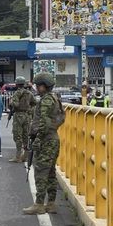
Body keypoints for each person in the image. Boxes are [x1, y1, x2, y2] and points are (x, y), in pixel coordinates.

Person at [23, 73, 66, 215]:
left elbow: (44, 123)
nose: (36, 87)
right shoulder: (55, 98)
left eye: (38, 85)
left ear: (43, 86)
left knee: (41, 172)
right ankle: (51, 203)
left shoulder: (46, 100)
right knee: (51, 172)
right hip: (53, 138)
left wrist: (38, 139)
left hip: (46, 140)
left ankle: (39, 204)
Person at [7, 77, 35, 163]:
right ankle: (25, 156)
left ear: (17, 84)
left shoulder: (17, 93)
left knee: (17, 135)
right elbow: (34, 103)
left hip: (18, 115)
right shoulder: (29, 93)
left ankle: (18, 156)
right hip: (27, 116)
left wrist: (11, 102)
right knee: (25, 135)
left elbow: (15, 104)